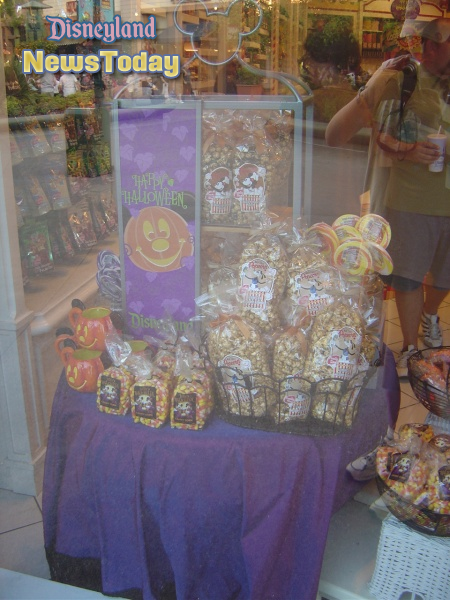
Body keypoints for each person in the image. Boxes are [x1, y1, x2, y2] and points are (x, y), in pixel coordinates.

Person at [326, 17, 450, 378]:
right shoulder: (401, 79)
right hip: (410, 198)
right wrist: (409, 149)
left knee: (444, 277)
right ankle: (411, 349)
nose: (428, 48)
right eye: (426, 41)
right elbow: (344, 134)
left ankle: (430, 314)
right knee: (407, 277)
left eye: (439, 42)